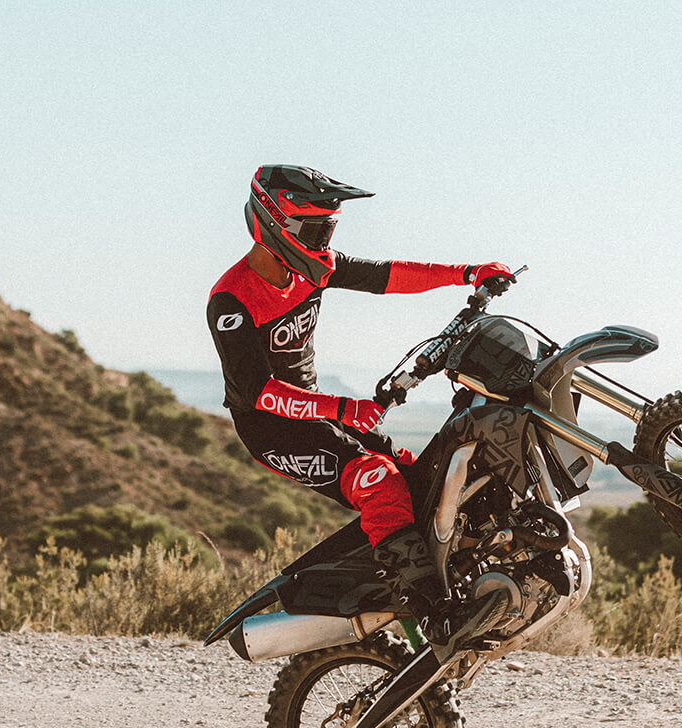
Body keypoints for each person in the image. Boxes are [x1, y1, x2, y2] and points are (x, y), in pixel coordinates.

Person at [206, 164, 515, 647]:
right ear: (274, 224)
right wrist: (342, 409)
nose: (325, 242)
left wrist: (466, 274)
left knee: (428, 476)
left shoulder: (314, 269)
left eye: (329, 229)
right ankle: (436, 613)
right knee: (379, 483)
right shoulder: (232, 300)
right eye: (315, 229)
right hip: (273, 431)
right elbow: (259, 393)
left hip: (322, 415)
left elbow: (387, 276)